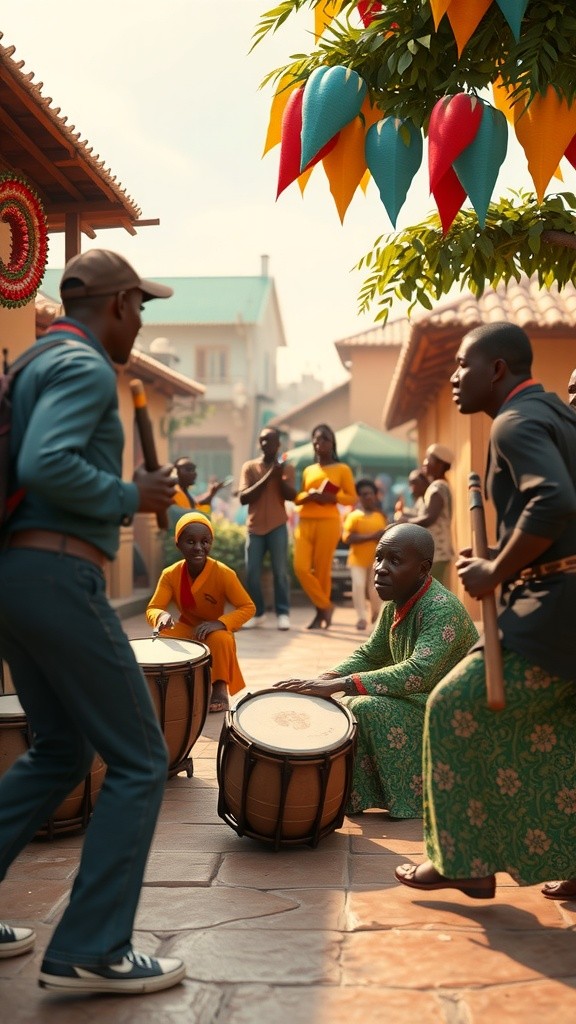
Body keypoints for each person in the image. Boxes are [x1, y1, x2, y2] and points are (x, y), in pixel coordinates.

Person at [0, 249, 186, 993]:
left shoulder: (36, 362)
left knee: (61, 748)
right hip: (58, 573)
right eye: (139, 307)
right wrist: (127, 494)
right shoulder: (82, 368)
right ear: (114, 304)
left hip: (17, 578)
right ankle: (92, 947)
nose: (140, 322)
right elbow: (47, 465)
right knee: (142, 757)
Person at [395, 321, 576, 902]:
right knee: (560, 731)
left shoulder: (514, 421)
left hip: (553, 611)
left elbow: (555, 500)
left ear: (497, 369)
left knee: (450, 706)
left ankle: (464, 861)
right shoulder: (560, 416)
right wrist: (504, 555)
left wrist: (497, 571)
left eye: (463, 364)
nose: (452, 377)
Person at [275, 524, 477, 818]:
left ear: (423, 569)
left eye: (395, 561)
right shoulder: (397, 603)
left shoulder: (440, 608)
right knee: (346, 701)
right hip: (422, 700)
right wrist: (325, 679)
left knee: (365, 707)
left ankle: (407, 799)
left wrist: (342, 684)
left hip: (453, 714)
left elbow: (417, 673)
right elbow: (371, 655)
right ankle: (346, 795)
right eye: (379, 558)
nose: (380, 569)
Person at [146, 511, 255, 713]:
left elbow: (248, 607)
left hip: (214, 631)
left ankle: (220, 688)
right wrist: (161, 616)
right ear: (178, 544)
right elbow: (154, 607)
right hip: (188, 627)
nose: (198, 548)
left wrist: (221, 623)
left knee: (223, 639)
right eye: (190, 542)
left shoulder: (224, 573)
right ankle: (173, 688)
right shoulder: (170, 574)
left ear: (211, 542)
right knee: (162, 636)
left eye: (205, 541)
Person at [293, 423, 357, 629]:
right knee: (300, 567)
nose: (319, 442)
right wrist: (309, 496)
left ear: (332, 443)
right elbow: (298, 496)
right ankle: (326, 606)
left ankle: (320, 614)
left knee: (322, 571)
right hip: (305, 521)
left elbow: (351, 498)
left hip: (328, 522)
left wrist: (331, 496)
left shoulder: (342, 469)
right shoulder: (308, 470)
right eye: (316, 439)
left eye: (324, 439)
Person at [237, 427, 297, 631]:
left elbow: (292, 496)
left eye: (270, 441)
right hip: (254, 528)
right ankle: (259, 613)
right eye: (262, 440)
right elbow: (244, 497)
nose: (265, 444)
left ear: (278, 444)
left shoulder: (287, 468)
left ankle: (283, 613)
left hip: (277, 526)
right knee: (251, 572)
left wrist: (278, 476)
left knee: (280, 571)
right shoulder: (250, 467)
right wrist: (270, 476)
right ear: (258, 443)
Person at [399, 443, 455, 586]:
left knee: (435, 595)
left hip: (438, 552)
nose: (424, 463)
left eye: (428, 459)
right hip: (435, 553)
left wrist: (405, 521)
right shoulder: (437, 486)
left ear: (440, 464)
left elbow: (429, 518)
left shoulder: (438, 487)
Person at [342, 478, 387, 630]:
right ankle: (361, 617)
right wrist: (371, 536)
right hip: (357, 560)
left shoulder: (380, 516)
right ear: (359, 497)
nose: (367, 497)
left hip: (376, 560)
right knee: (358, 586)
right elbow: (347, 537)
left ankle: (376, 615)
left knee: (375, 590)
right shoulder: (354, 516)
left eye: (369, 493)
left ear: (375, 495)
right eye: (363, 494)